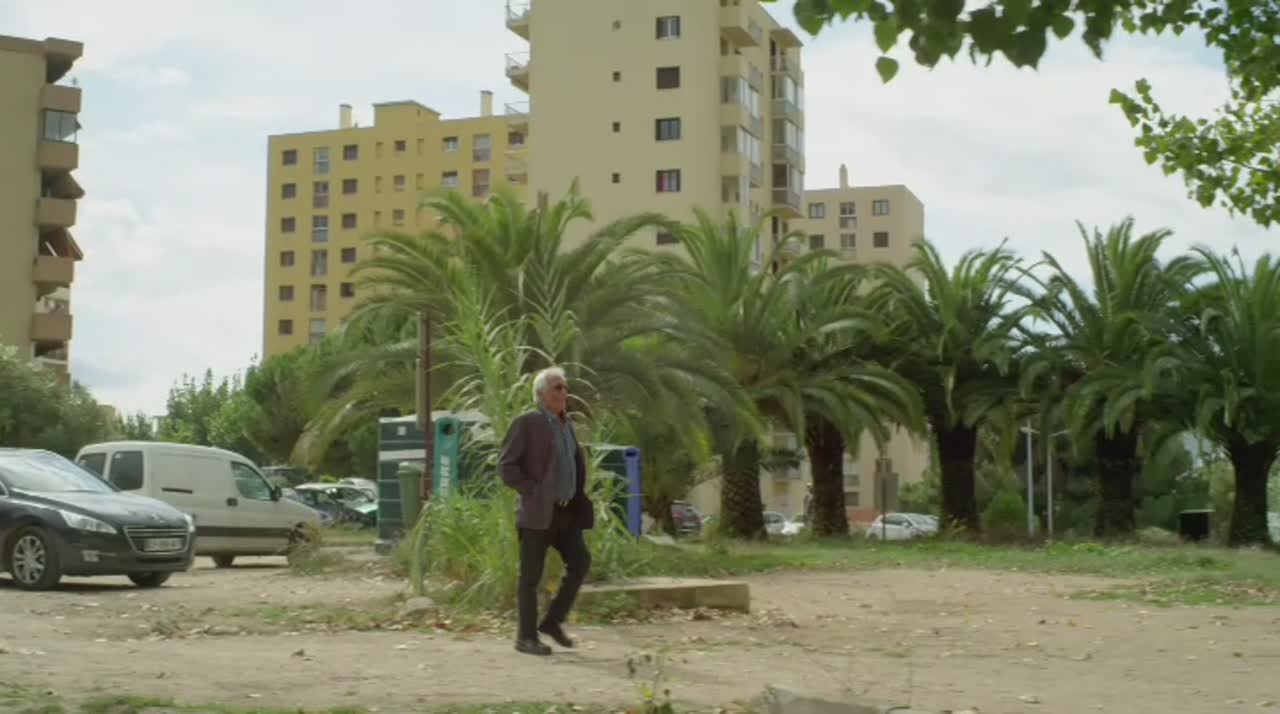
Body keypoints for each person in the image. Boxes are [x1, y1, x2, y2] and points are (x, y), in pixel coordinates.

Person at [499, 366, 594, 656]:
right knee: (530, 577)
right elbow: (507, 466)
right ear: (541, 394)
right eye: (558, 387)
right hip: (538, 513)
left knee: (580, 562)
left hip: (566, 513)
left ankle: (552, 622)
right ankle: (525, 638)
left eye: (565, 387)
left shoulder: (566, 425)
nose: (565, 392)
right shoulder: (528, 423)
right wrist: (533, 491)